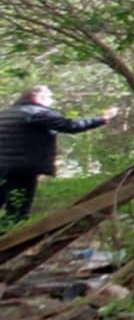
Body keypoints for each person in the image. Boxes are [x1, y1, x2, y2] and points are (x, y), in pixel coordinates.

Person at [0, 86, 120, 224]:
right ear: (36, 96)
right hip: (21, 170)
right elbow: (71, 126)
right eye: (50, 97)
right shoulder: (38, 113)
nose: (52, 101)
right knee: (17, 212)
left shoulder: (5, 114)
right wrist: (103, 119)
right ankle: (9, 243)